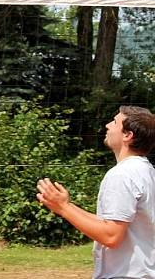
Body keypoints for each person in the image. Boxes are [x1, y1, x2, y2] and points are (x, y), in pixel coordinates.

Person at [37, 105, 155, 279]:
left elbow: (111, 236)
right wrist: (65, 206)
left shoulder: (122, 174)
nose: (108, 125)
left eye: (115, 122)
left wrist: (63, 208)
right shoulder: (146, 171)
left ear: (127, 135)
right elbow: (112, 224)